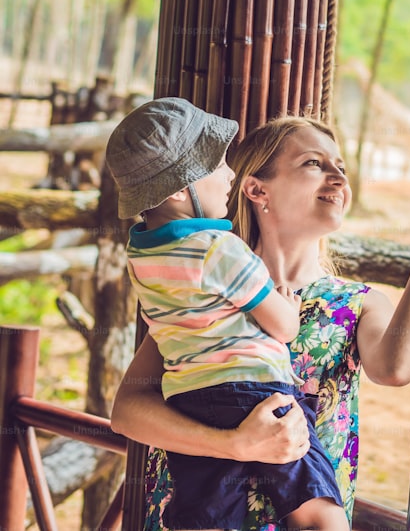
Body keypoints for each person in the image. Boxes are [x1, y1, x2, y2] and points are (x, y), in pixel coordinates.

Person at [110, 114, 410, 530]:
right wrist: (234, 445)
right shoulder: (202, 291)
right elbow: (129, 411)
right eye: (314, 164)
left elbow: (396, 368)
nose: (338, 178)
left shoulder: (355, 304)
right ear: (256, 189)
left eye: (341, 167)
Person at [105, 99, 348, 531]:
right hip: (255, 394)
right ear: (180, 190)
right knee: (321, 512)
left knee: (207, 517)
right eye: (216, 163)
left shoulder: (141, 256)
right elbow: (284, 325)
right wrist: (288, 309)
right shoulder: (219, 250)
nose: (230, 173)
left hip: (190, 400)